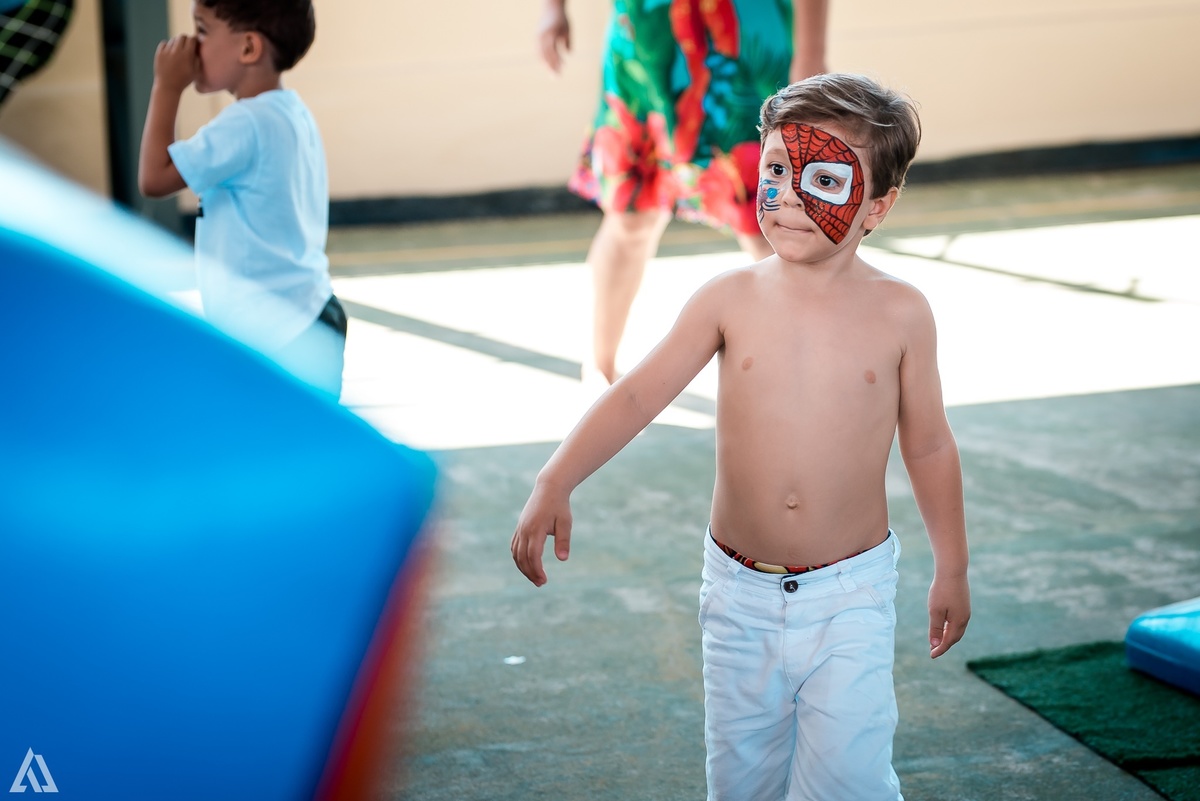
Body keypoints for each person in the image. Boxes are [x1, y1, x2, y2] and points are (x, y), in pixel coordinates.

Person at [512, 73, 970, 801]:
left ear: (878, 205)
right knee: (741, 782)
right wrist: (554, 478)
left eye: (821, 177)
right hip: (738, 594)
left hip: (849, 593)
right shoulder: (728, 298)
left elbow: (929, 446)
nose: (787, 194)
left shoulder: (901, 314)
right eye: (775, 171)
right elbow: (636, 393)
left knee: (848, 782)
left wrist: (954, 565)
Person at [538, 0, 829, 386]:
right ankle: (599, 370)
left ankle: (816, 369)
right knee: (631, 214)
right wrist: (552, 9)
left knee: (769, 214)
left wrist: (811, 52)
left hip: (747, 35)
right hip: (649, 35)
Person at [137, 0, 345, 398]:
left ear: (248, 48)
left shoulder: (245, 123)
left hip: (275, 331)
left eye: (201, 30)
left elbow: (154, 177)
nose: (188, 46)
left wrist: (166, 86)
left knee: (272, 452)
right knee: (296, 452)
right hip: (312, 311)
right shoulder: (291, 111)